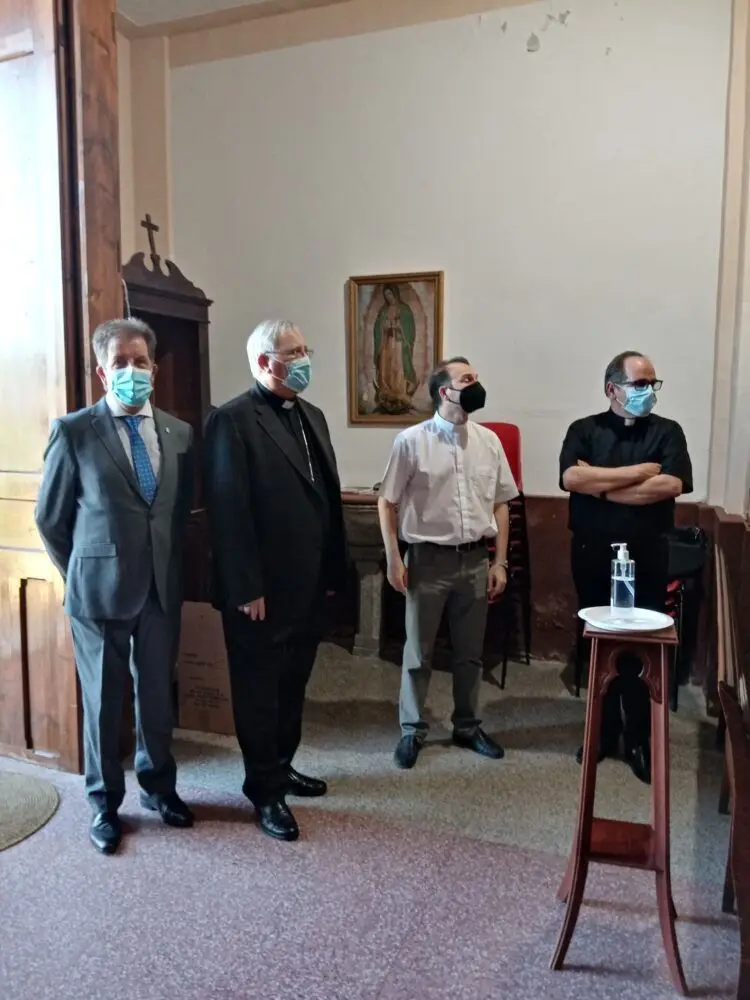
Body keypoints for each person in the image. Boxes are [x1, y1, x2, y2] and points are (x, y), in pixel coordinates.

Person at [35, 318, 195, 854]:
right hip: (98, 594)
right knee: (104, 703)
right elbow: (50, 519)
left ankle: (159, 788)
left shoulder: (178, 433)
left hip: (160, 589)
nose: (132, 370)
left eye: (140, 361)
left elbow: (176, 514)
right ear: (103, 373)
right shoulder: (74, 431)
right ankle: (104, 803)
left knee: (157, 698)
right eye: (120, 363)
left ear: (154, 368)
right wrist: (82, 571)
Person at [204, 320, 348, 842]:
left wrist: (332, 572)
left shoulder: (313, 415)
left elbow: (323, 497)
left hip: (307, 585)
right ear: (266, 362)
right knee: (259, 692)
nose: (305, 358)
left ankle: (283, 766)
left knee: (293, 685)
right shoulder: (232, 420)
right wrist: (246, 587)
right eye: (295, 351)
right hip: (260, 591)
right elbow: (228, 510)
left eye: (306, 348)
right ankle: (263, 790)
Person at [377, 356, 519, 769]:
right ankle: (411, 730)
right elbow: (386, 501)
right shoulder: (411, 441)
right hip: (428, 561)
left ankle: (467, 726)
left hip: (474, 560)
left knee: (470, 653)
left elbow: (502, 504)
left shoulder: (489, 441)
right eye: (467, 380)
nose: (476, 385)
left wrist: (500, 561)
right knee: (418, 653)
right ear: (445, 391)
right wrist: (393, 558)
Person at [559, 350, 693, 784]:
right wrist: (638, 473)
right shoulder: (584, 430)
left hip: (648, 554)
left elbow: (669, 485)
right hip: (592, 552)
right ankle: (602, 732)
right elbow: (571, 479)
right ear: (612, 389)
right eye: (639, 384)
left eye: (652, 383)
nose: (648, 391)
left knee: (639, 646)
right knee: (598, 642)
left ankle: (637, 737)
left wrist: (600, 486)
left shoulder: (667, 432)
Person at [373, 284, 417, 413]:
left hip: (398, 343)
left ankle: (399, 394)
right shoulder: (383, 311)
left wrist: (400, 328)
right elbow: (377, 328)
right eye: (386, 295)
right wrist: (383, 328)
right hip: (386, 343)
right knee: (385, 367)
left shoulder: (405, 309)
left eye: (390, 294)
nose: (388, 297)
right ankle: (386, 393)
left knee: (398, 367)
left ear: (395, 294)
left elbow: (410, 328)